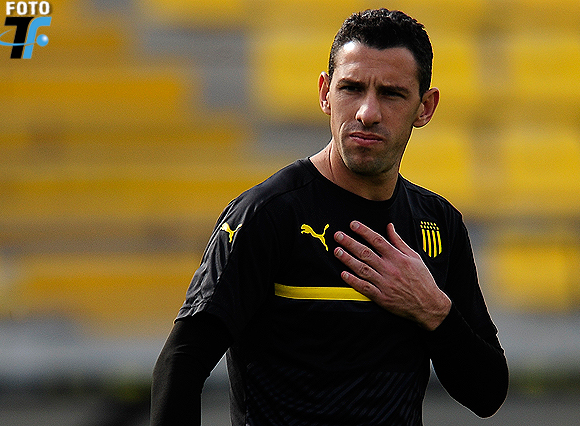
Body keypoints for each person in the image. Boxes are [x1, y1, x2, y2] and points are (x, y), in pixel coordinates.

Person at [151, 8, 508, 426]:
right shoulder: (269, 214)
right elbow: (180, 363)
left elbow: (487, 393)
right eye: (351, 88)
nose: (367, 112)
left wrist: (432, 309)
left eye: (391, 94)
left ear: (424, 108)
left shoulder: (438, 224)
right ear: (325, 93)